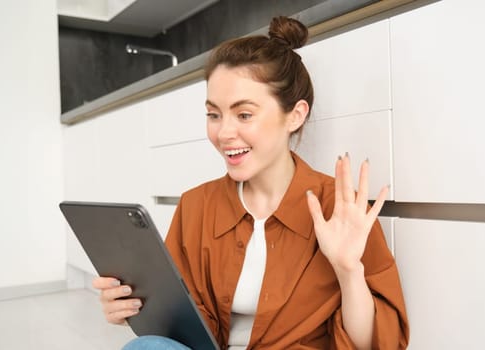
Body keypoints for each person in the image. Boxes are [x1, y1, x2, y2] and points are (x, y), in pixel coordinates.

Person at [93, 16, 409, 350]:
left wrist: (348, 271)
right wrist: (134, 308)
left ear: (296, 115)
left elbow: (372, 345)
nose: (224, 133)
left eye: (244, 114)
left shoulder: (341, 209)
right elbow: (179, 328)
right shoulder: (195, 206)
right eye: (214, 114)